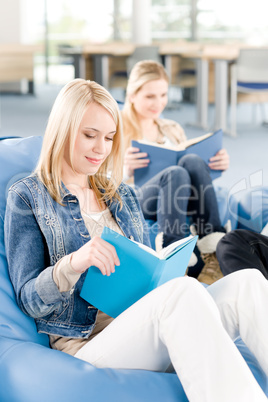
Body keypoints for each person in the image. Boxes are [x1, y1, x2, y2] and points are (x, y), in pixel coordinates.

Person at [4, 78, 268, 402]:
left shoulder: (121, 194)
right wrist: (72, 264)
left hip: (146, 324)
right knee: (181, 294)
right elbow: (29, 298)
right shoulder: (29, 197)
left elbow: (148, 266)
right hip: (89, 342)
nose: (101, 149)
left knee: (248, 283)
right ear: (63, 129)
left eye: (109, 138)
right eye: (89, 135)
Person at [121, 60, 230, 284]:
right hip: (138, 198)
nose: (158, 103)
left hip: (178, 194)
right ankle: (175, 253)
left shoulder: (171, 128)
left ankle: (213, 254)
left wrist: (216, 164)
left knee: (190, 159)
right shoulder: (115, 128)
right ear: (132, 95)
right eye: (150, 96)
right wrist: (125, 170)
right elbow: (100, 183)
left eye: (163, 95)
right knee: (175, 174)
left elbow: (194, 170)